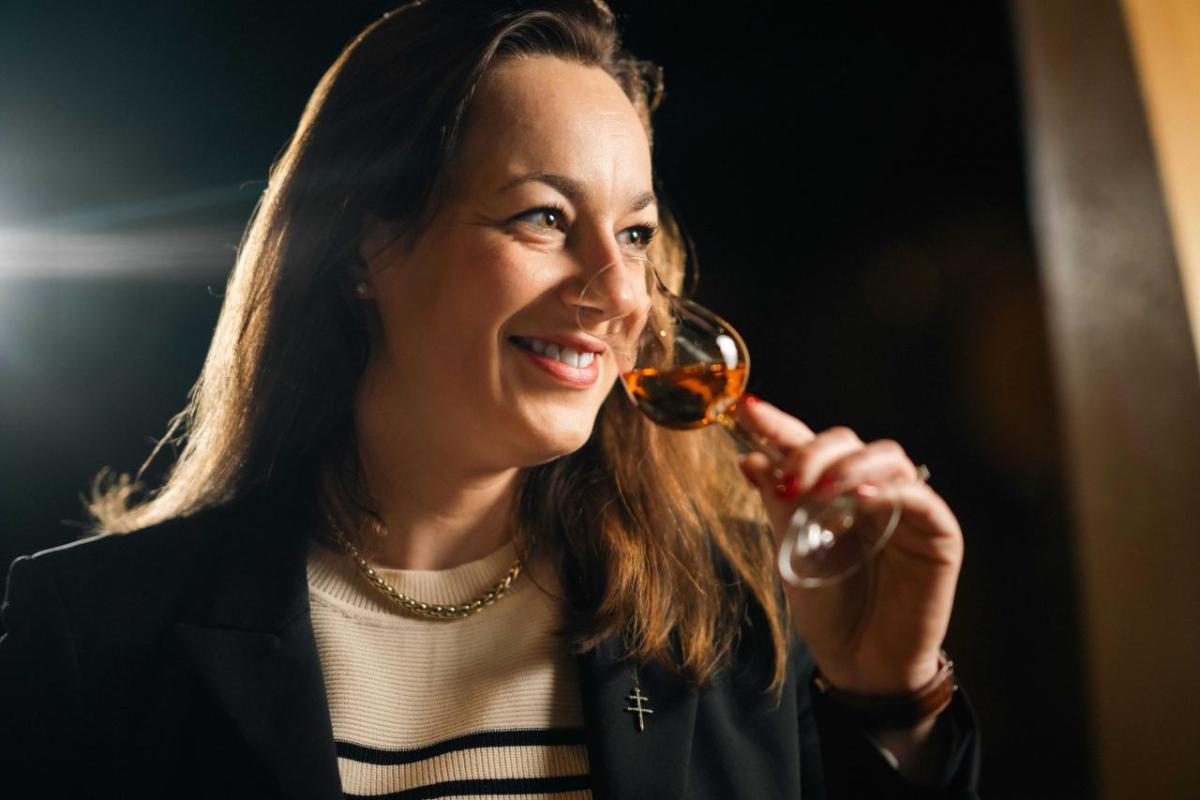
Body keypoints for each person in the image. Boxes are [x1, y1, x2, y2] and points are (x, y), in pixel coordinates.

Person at [0, 1, 980, 797]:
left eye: (634, 233)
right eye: (545, 217)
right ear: (363, 249)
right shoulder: (96, 632)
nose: (619, 289)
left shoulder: (738, 618)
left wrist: (892, 702)